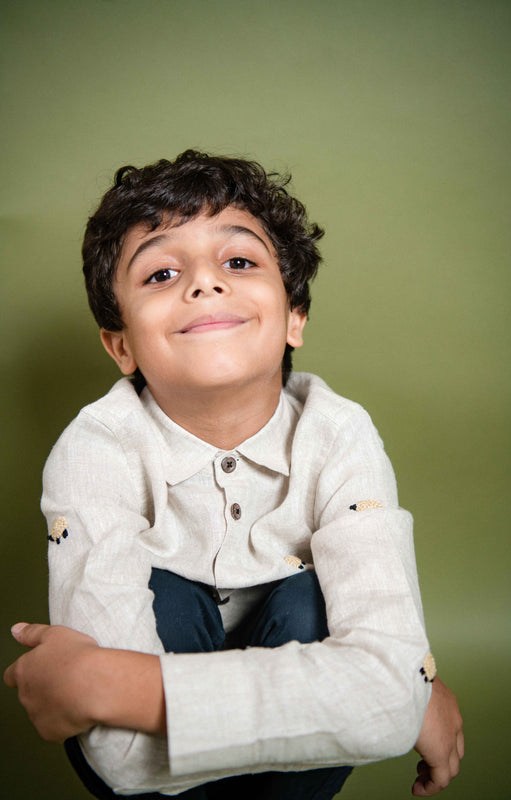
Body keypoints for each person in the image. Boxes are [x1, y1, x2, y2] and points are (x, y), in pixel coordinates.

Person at [4, 150, 463, 799]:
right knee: (169, 592)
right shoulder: (94, 451)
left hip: (283, 751)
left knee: (310, 600)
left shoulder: (339, 434)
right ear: (121, 345)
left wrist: (109, 684)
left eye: (238, 261)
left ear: (294, 318)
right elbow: (123, 756)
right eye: (161, 272)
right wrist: (383, 692)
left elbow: (389, 702)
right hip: (161, 779)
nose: (203, 283)